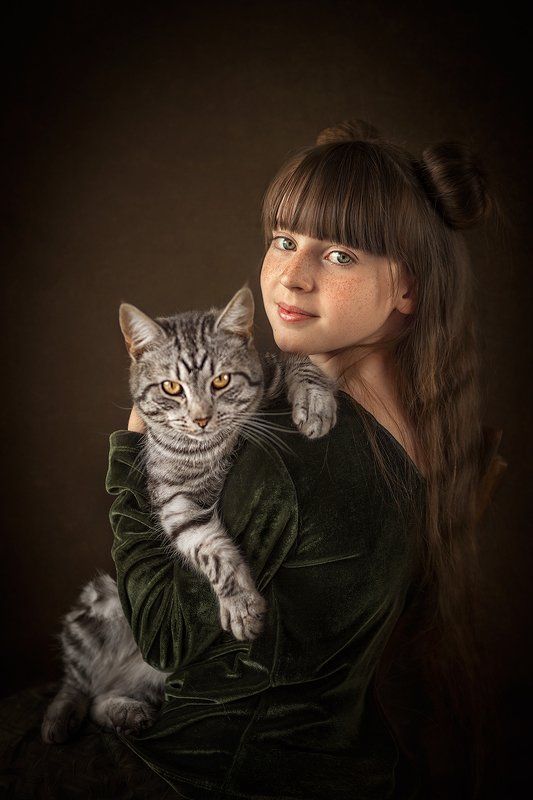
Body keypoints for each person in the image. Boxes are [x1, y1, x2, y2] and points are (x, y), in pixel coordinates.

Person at [0, 119, 497, 800]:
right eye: (283, 241)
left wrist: (136, 449)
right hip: (340, 767)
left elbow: (168, 639)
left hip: (204, 774)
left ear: (407, 288)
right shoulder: (430, 430)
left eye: (340, 255)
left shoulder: (293, 452)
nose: (291, 276)